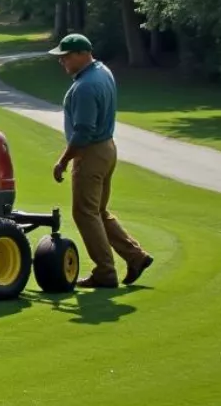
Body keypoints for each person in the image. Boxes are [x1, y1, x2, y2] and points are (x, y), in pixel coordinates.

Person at [49, 33, 154, 288]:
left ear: (82, 54)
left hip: (91, 153)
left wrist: (63, 161)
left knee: (84, 212)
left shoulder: (85, 86)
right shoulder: (102, 71)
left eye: (65, 57)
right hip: (108, 148)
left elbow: (83, 131)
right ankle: (135, 256)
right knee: (98, 211)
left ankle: (105, 272)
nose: (61, 62)